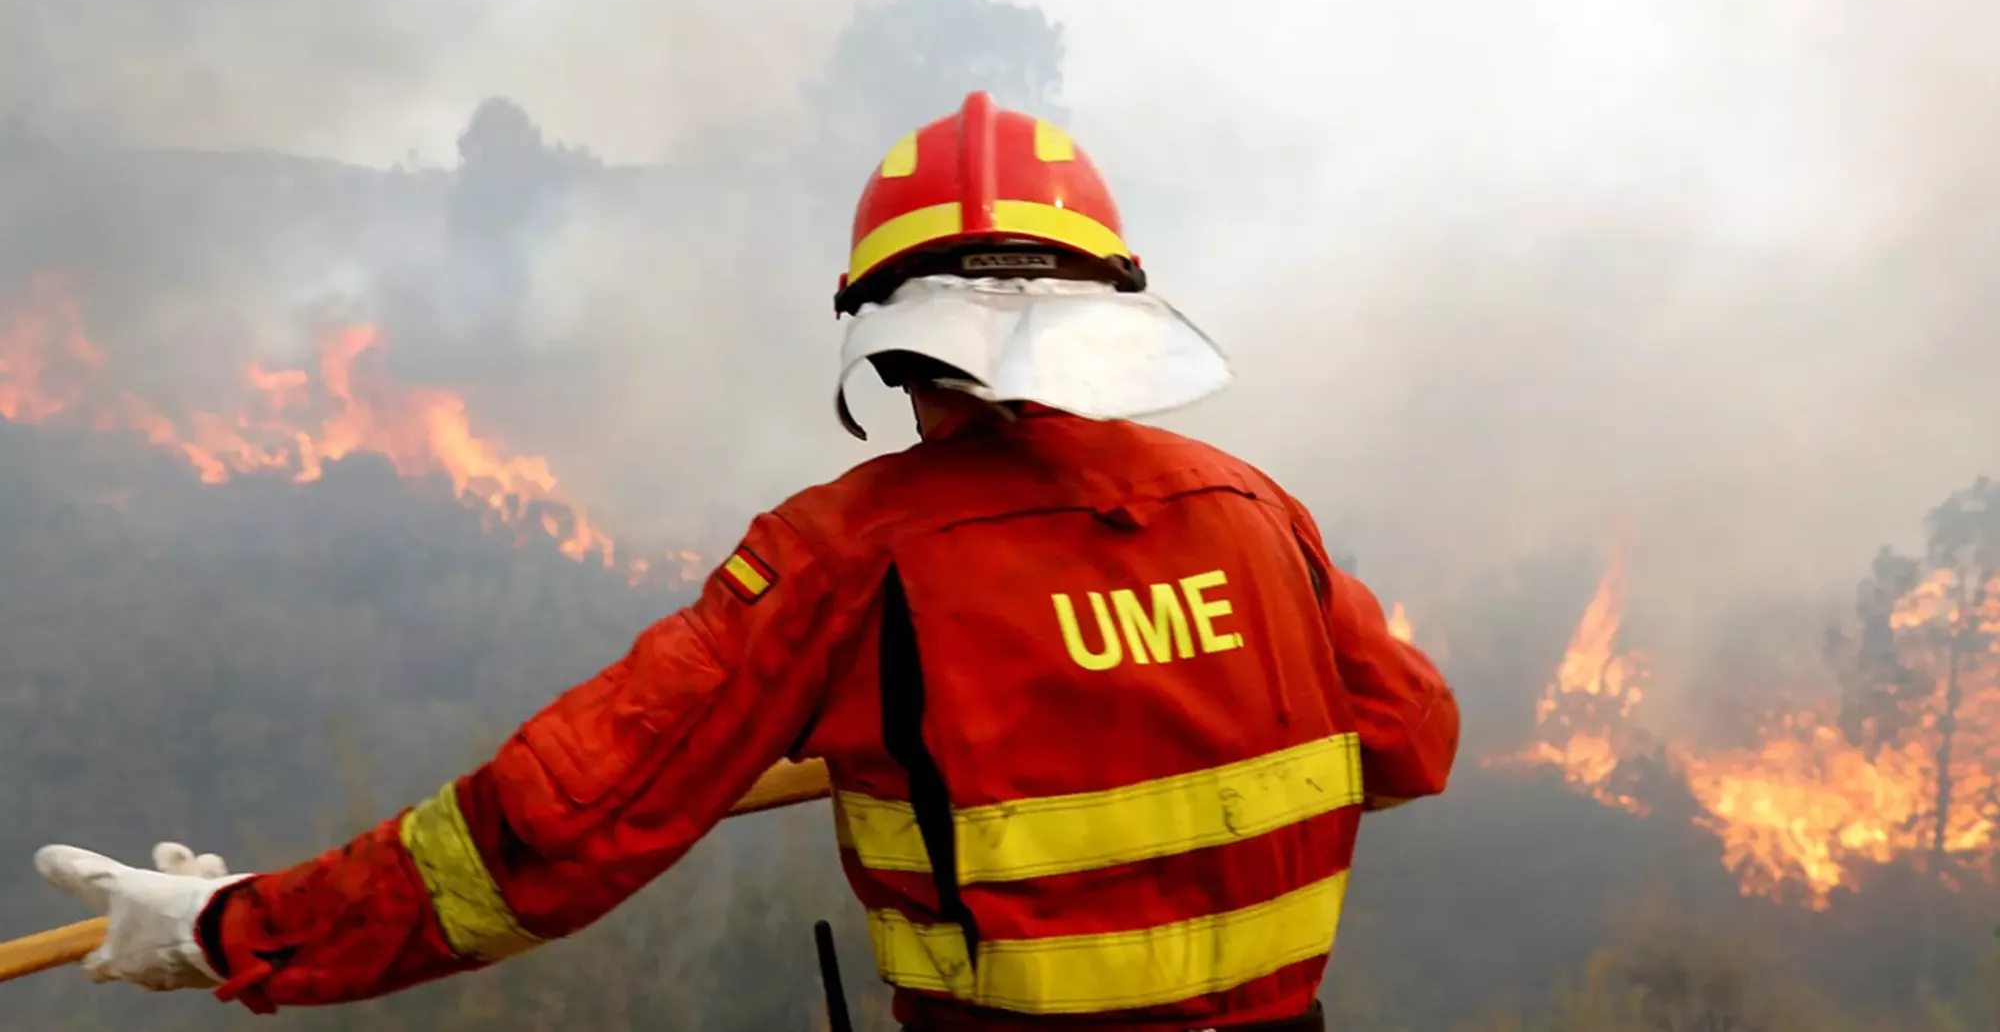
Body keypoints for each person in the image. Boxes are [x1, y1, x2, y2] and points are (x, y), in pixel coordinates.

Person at [35, 91, 1459, 1030]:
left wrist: (229, 928)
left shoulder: (850, 559)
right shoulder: (1258, 511)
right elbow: (1410, 741)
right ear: (1111, 308)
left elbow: (543, 832)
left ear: (889, 336)